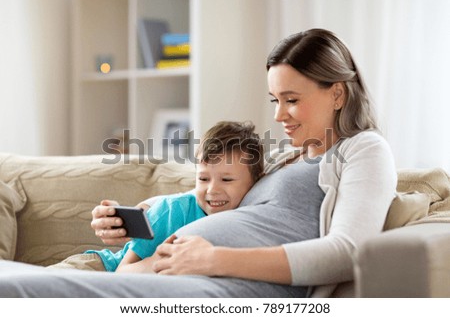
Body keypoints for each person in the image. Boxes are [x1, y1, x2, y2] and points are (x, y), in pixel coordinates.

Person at [0, 28, 397, 297]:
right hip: (169, 272)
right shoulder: (282, 156)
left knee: (21, 292)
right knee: (17, 282)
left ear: (338, 94)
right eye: (275, 101)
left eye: (292, 100)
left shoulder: (363, 150)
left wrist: (213, 257)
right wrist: (138, 220)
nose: (279, 116)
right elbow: (209, 199)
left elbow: (347, 251)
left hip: (224, 287)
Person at [51, 121, 264, 273]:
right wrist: (163, 261)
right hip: (100, 269)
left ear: (255, 183)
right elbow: (123, 272)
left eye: (226, 180)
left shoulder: (252, 219)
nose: (212, 190)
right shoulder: (172, 211)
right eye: (203, 179)